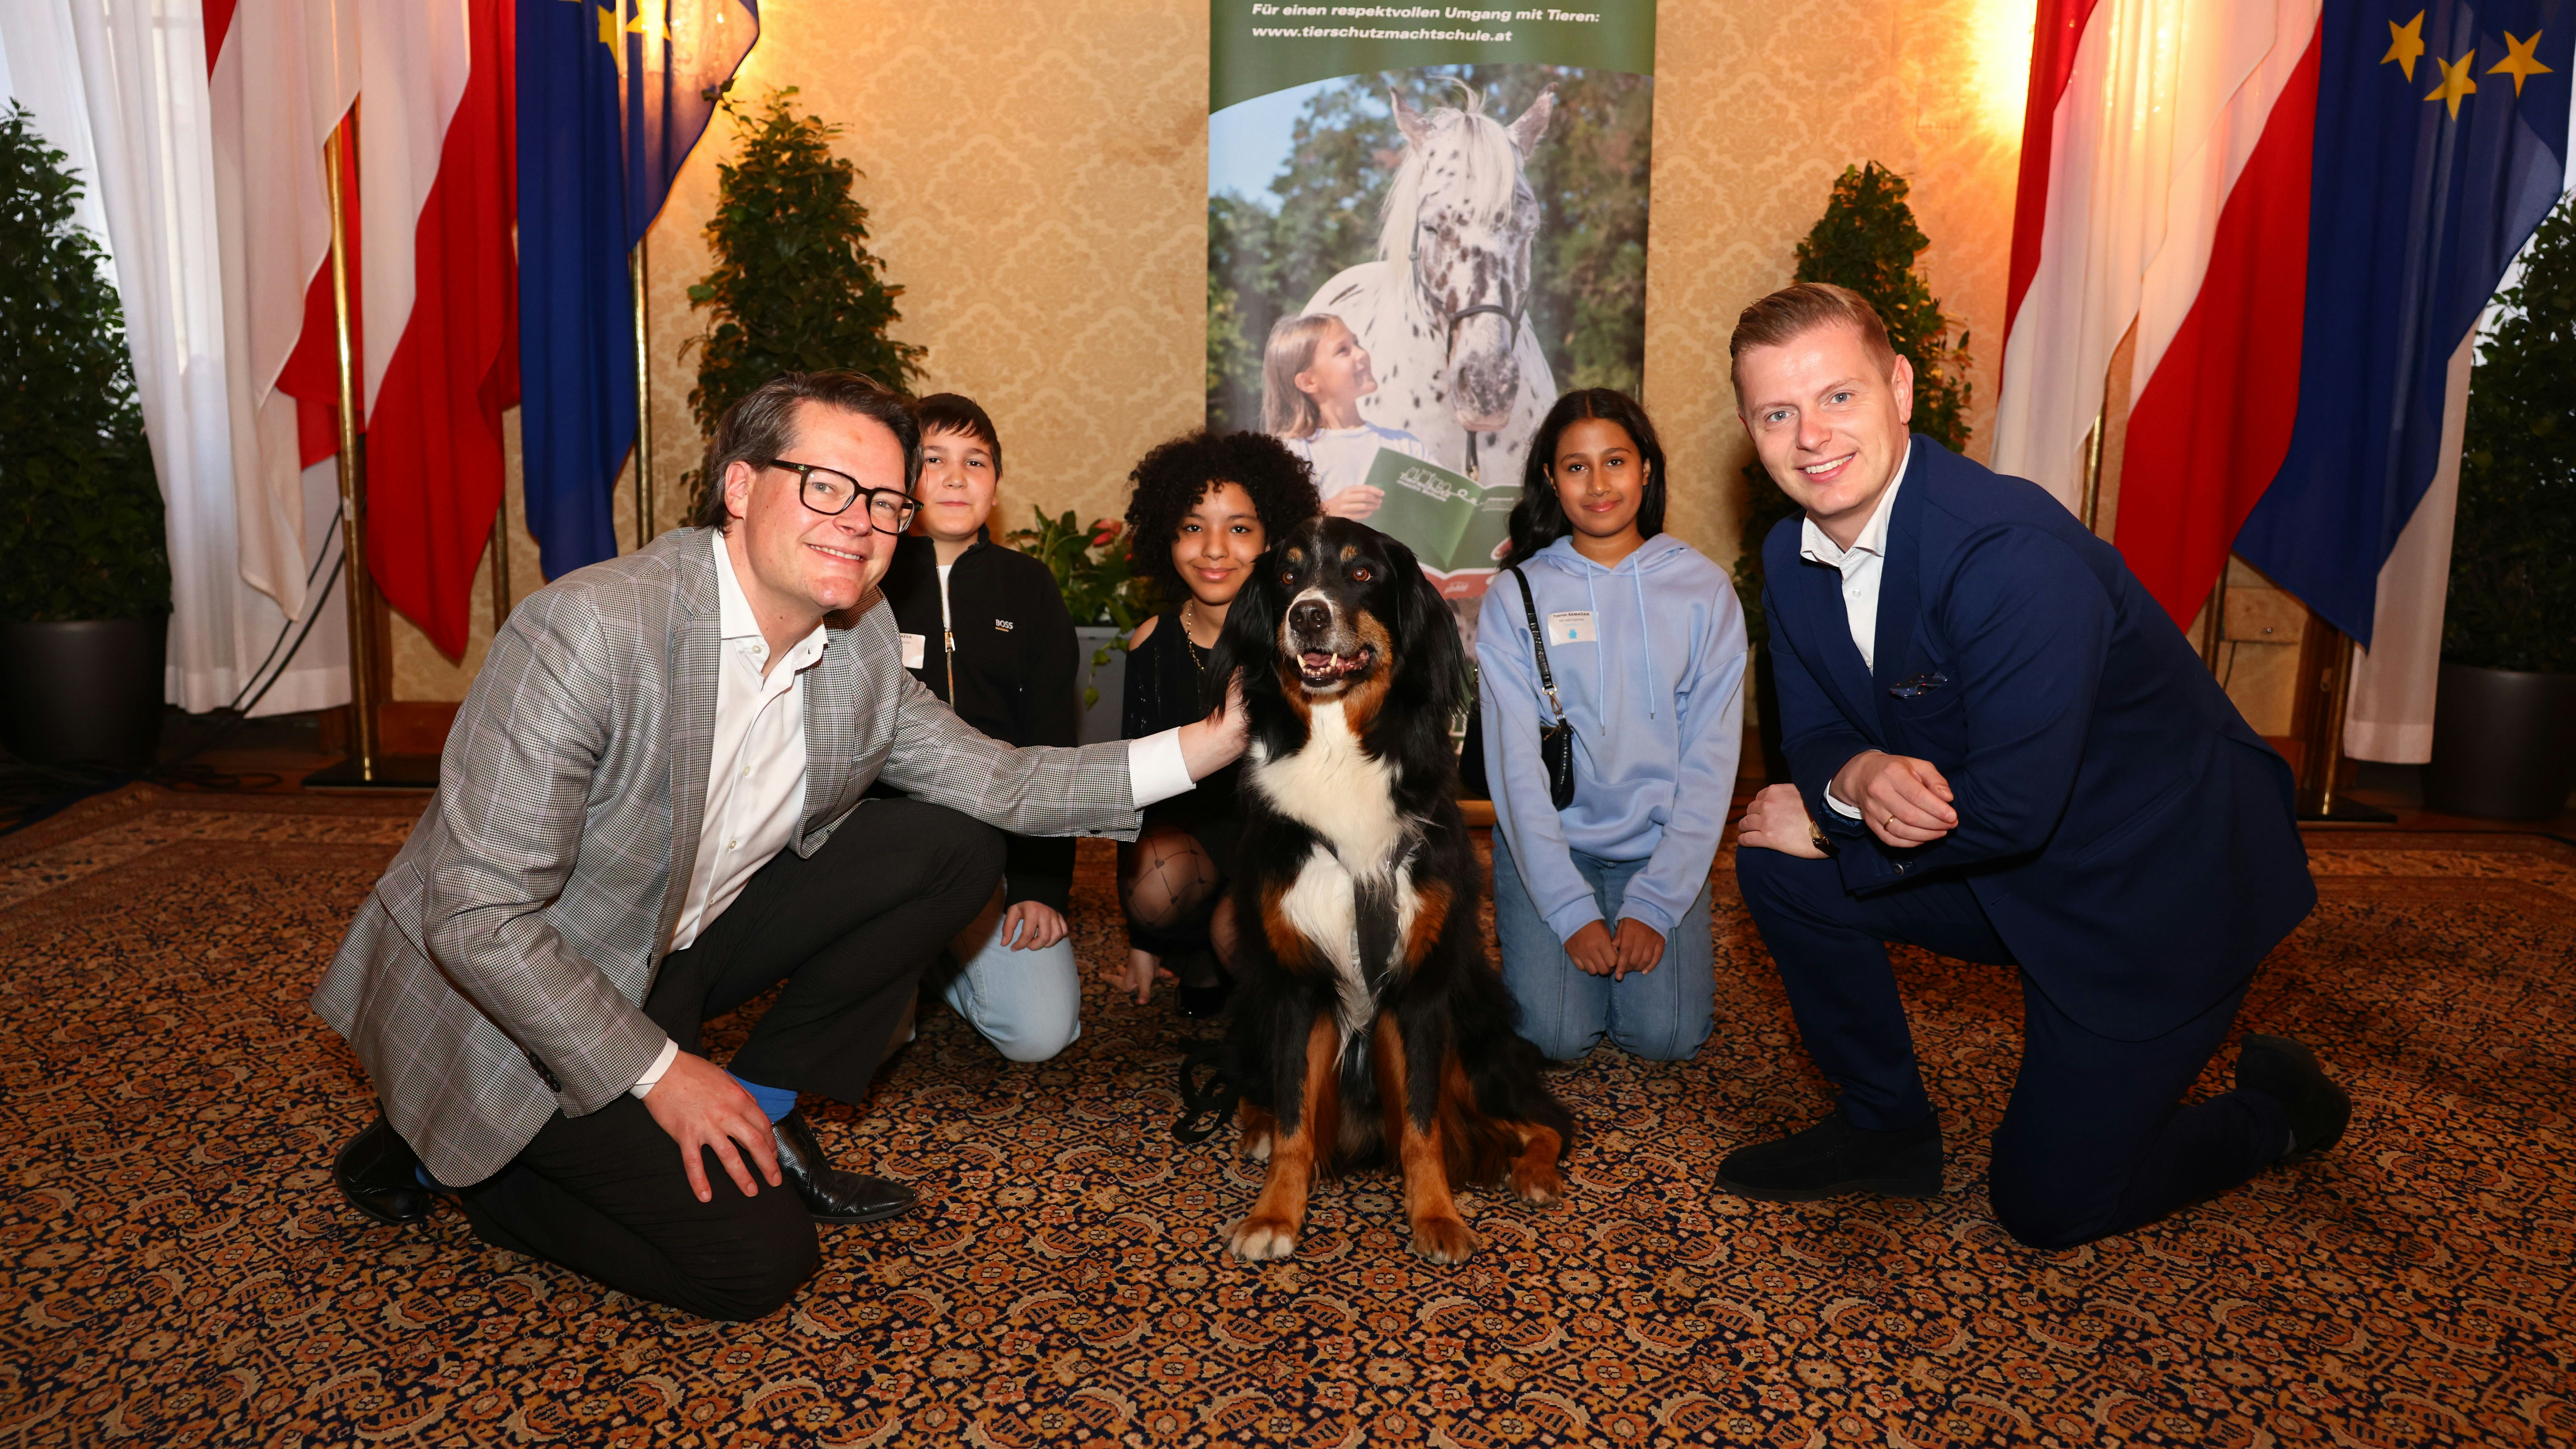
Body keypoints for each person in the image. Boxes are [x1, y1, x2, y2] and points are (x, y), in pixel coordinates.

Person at [315, 372, 1247, 1321]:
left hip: (673, 934)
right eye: (826, 485)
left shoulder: (859, 636)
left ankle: (763, 1097)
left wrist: (1210, 743)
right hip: (513, 998)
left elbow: (1002, 782)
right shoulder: (592, 631)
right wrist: (661, 1074)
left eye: (885, 502)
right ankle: (460, 1156)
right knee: (755, 1264)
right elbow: (477, 916)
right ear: (741, 487)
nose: (861, 522)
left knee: (954, 843)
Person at [1723, 283, 2347, 1248]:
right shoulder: (1788, 551)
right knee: (1777, 859)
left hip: (2152, 890)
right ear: (1750, 429)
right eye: (1777, 412)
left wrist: (1832, 819)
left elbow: (2012, 811)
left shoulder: (2006, 553)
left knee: (2050, 1207)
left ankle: (2281, 1112)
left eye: (1838, 397)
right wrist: (1849, 780)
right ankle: (1883, 1128)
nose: (1811, 436)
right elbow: (1808, 736)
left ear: (1899, 388)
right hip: (2003, 865)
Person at [1475, 389, 1745, 1062]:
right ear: (1550, 479)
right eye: (1576, 467)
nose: (1599, 485)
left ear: (1646, 469)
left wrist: (1654, 906)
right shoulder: (1517, 595)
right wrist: (1569, 911)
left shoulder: (1705, 591)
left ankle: (1639, 938)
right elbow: (1514, 772)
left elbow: (1711, 766)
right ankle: (1548, 931)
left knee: (1668, 1039)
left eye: (1616, 462)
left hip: (1660, 851)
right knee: (1554, 1038)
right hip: (1551, 847)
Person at [879, 393, 1083, 1063]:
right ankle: (909, 956)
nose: (957, 477)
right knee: (868, 1046)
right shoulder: (861, 580)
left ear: (996, 483)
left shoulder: (1028, 588)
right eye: (933, 459)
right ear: (902, 474)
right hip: (886, 854)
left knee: (1040, 1035)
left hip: (997, 854)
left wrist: (1040, 887)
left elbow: (1054, 742)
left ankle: (949, 960)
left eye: (977, 461)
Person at [1115, 429, 1322, 1015]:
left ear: (1272, 539)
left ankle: (1234, 960)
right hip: (1193, 841)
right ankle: (1191, 956)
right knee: (1156, 884)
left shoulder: (1302, 640)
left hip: (1285, 841)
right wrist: (1141, 941)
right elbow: (1136, 792)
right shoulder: (1151, 642)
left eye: (1238, 528)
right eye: (1191, 526)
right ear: (1166, 535)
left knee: (1242, 939)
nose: (1213, 549)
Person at [1263, 312, 1430, 522]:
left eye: (1357, 343)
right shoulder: (1291, 453)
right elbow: (1273, 535)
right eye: (1343, 351)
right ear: (1309, 382)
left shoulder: (1405, 446)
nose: (1362, 354)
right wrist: (1325, 513)